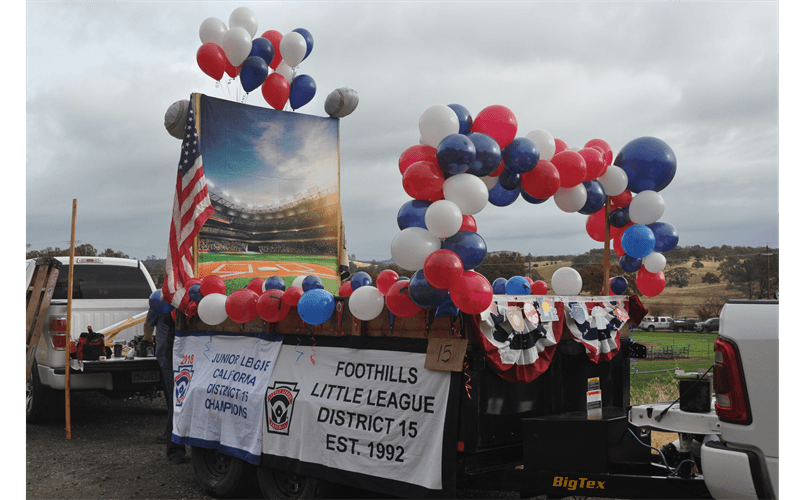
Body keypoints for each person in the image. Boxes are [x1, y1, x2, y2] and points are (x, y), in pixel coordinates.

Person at [145, 308, 189, 465]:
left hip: (187, 357)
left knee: (178, 402)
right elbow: (151, 324)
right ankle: (175, 450)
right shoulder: (170, 305)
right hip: (172, 357)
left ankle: (177, 446)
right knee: (175, 403)